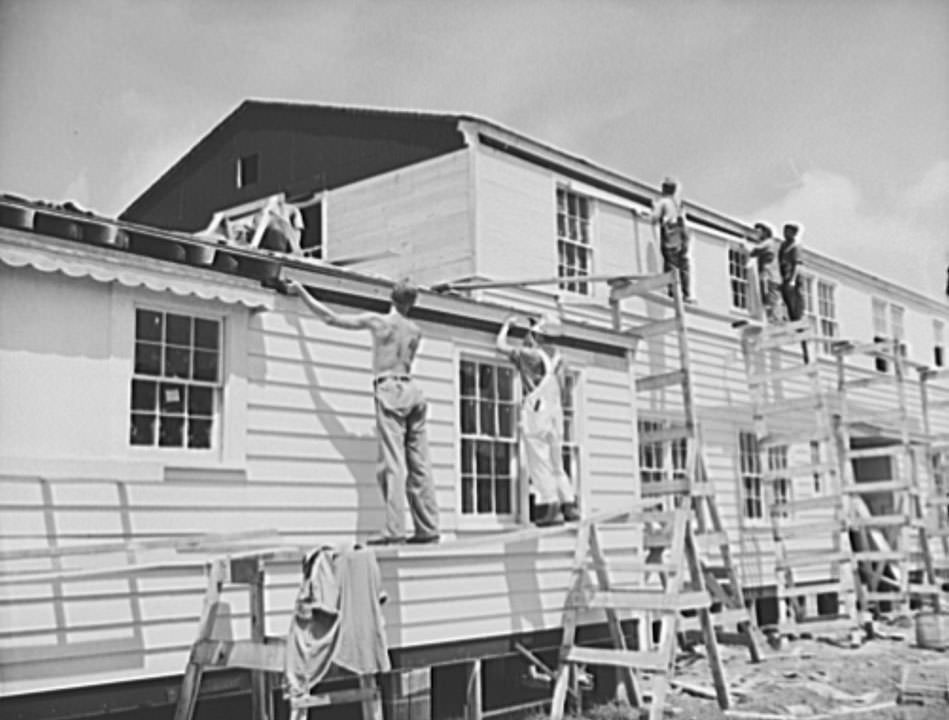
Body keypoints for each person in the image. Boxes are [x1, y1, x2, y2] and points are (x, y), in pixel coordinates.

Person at [286, 278, 439, 545]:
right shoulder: (415, 330)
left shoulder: (379, 323)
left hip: (390, 388)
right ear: (412, 303)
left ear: (391, 297)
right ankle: (428, 527)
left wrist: (301, 291)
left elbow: (331, 318)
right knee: (420, 464)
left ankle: (394, 530)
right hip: (413, 391)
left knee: (392, 464)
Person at [496, 311, 580, 527]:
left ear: (539, 336)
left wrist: (506, 326)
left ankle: (550, 507)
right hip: (556, 413)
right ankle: (569, 505)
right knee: (556, 464)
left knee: (538, 461)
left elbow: (501, 346)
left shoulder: (531, 356)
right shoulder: (560, 359)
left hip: (538, 411)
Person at [650, 177, 694, 303]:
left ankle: (673, 291)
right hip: (683, 234)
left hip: (672, 232)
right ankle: (686, 294)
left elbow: (654, 218)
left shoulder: (663, 202)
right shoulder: (678, 205)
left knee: (671, 262)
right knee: (684, 264)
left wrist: (652, 209)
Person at [748, 222, 784, 323]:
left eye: (758, 232)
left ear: (765, 232)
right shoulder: (775, 244)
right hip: (775, 277)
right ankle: (776, 319)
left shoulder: (768, 242)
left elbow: (754, 251)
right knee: (774, 300)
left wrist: (745, 243)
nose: (757, 235)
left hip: (769, 276)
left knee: (770, 300)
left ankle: (774, 320)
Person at [779, 223, 805, 322]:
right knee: (787, 299)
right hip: (785, 275)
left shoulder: (796, 246)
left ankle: (797, 318)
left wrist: (793, 280)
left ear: (794, 233)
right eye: (784, 231)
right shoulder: (783, 245)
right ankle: (792, 318)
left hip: (793, 276)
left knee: (795, 300)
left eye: (788, 231)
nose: (785, 233)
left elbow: (797, 264)